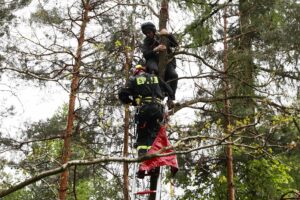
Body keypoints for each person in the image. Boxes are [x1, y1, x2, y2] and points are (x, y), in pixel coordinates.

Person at [118, 64, 174, 200]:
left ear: (137, 72)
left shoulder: (134, 79)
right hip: (158, 110)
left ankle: (143, 160)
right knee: (154, 137)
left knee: (142, 135)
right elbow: (169, 89)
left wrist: (132, 102)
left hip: (144, 109)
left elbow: (122, 94)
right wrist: (170, 99)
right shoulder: (154, 78)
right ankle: (154, 163)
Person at [141, 22, 179, 100]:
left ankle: (171, 99)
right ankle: (155, 95)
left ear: (153, 30)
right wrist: (155, 49)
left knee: (174, 75)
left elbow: (175, 44)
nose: (148, 34)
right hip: (153, 61)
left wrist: (168, 34)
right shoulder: (146, 41)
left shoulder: (162, 37)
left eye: (149, 32)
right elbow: (145, 54)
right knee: (154, 71)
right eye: (146, 33)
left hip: (167, 62)